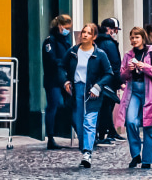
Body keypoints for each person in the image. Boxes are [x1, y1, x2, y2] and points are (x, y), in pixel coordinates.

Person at [66, 23, 115, 168]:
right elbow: (62, 67)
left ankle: (87, 153)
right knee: (77, 121)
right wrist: (65, 81)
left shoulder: (99, 54)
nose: (85, 35)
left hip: (92, 91)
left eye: (88, 33)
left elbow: (109, 73)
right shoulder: (73, 52)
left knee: (89, 122)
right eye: (83, 32)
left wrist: (98, 86)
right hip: (76, 90)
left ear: (94, 37)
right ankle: (84, 147)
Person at [119, 26, 152, 169]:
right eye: (132, 37)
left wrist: (144, 66)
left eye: (137, 37)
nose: (134, 40)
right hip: (133, 90)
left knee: (150, 125)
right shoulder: (128, 55)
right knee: (130, 121)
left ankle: (147, 160)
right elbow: (122, 75)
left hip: (150, 92)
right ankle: (135, 155)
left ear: (143, 38)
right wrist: (128, 69)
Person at [42, 15, 76, 150]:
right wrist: (63, 64)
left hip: (65, 78)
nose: (68, 30)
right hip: (53, 79)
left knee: (70, 105)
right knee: (54, 105)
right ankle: (50, 137)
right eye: (66, 28)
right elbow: (52, 60)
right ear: (60, 26)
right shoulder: (50, 41)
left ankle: (81, 134)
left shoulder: (65, 41)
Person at [95, 18, 124, 145]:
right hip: (108, 81)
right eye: (115, 30)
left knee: (103, 107)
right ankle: (102, 135)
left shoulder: (97, 42)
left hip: (99, 80)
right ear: (109, 29)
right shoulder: (109, 44)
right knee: (107, 107)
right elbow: (115, 64)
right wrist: (119, 81)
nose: (115, 32)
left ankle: (106, 133)